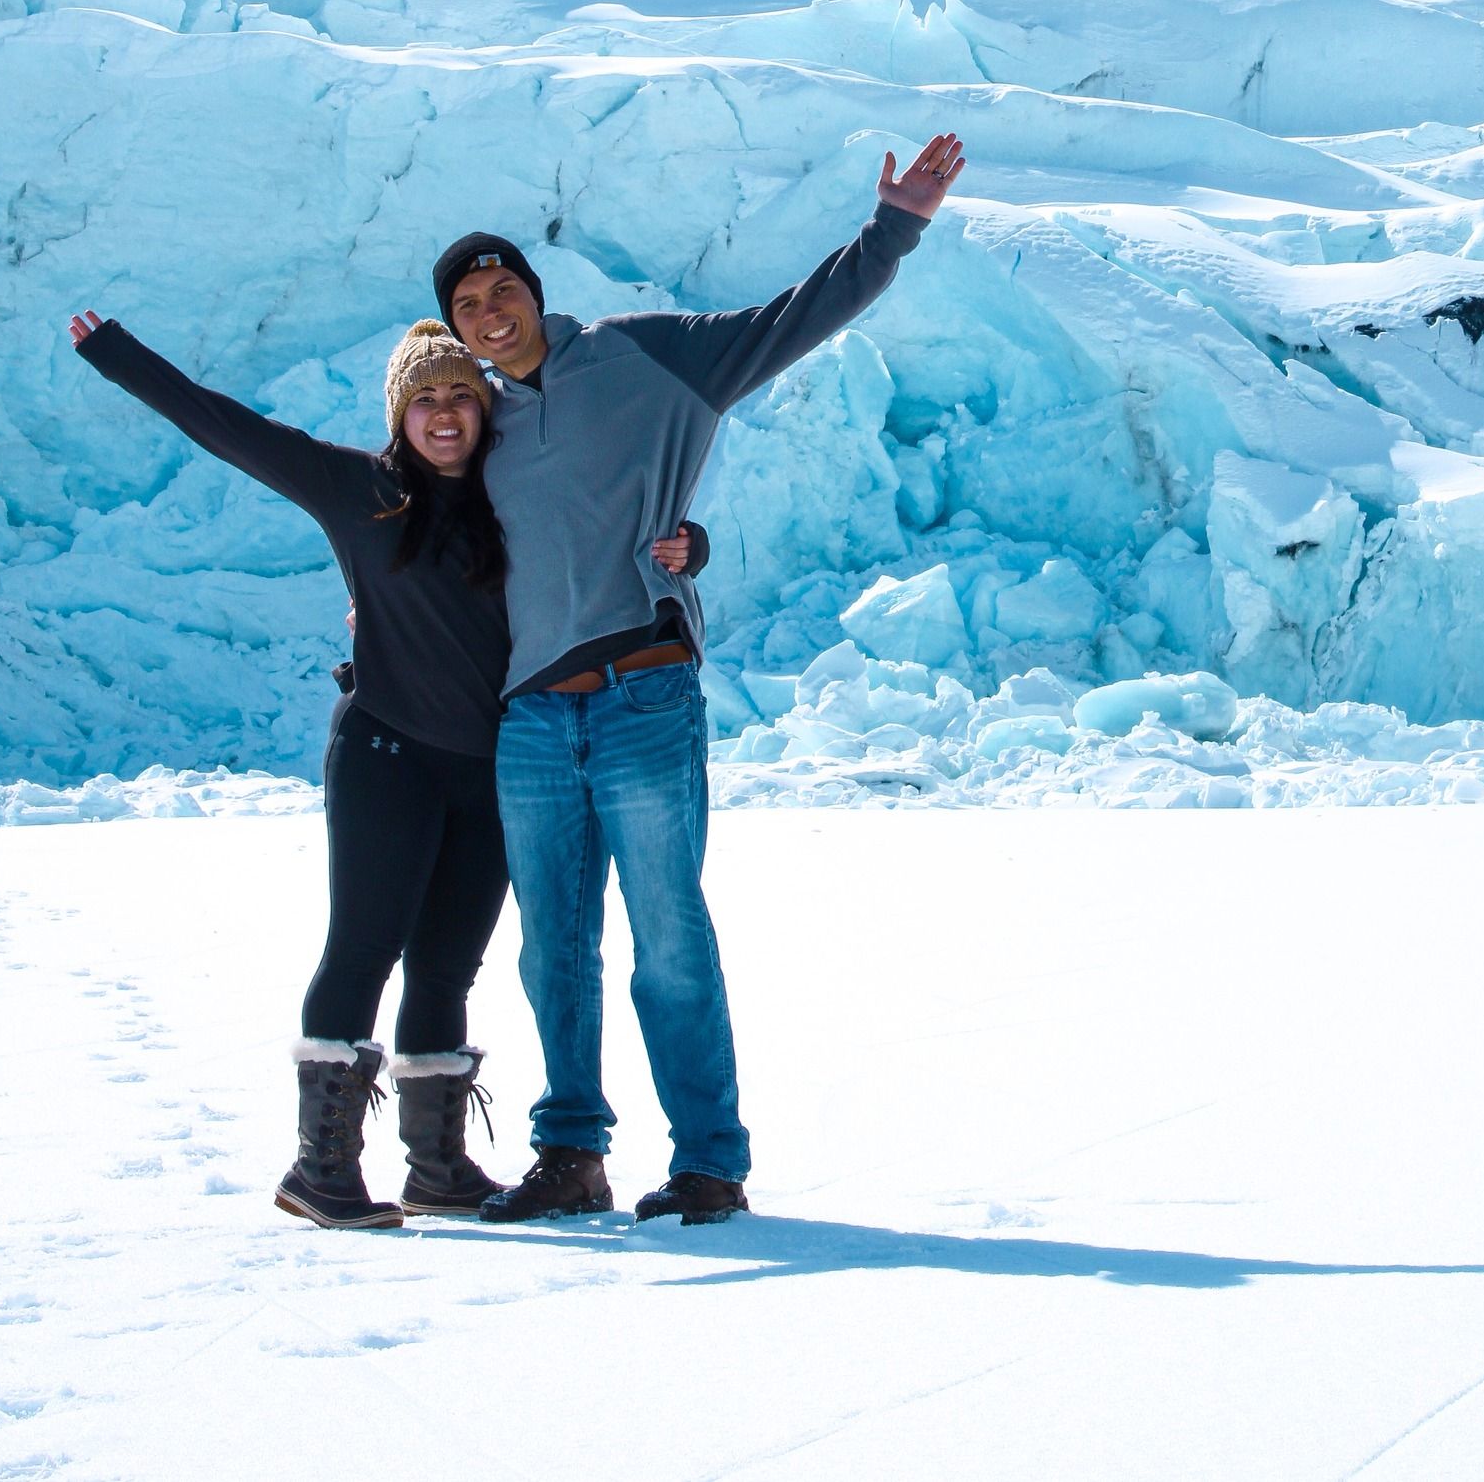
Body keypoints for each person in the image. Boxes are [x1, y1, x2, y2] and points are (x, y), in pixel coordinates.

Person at [67, 303, 708, 1229]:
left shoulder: (512, 491)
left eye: (462, 396)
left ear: (484, 410)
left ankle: (436, 1167)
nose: (445, 413)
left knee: (446, 967)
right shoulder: (355, 487)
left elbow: (614, 520)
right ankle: (320, 1168)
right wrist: (116, 353)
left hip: (487, 767)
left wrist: (694, 543)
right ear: (399, 414)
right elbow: (226, 427)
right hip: (386, 753)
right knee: (364, 947)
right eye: (425, 399)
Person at [435, 129, 966, 1228]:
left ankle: (710, 1161)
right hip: (532, 718)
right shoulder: (477, 426)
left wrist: (893, 229)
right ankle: (569, 1152)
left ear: (534, 293)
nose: (490, 312)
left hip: (643, 693)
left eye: (503, 289)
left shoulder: (646, 356)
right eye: (468, 305)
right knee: (552, 951)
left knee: (669, 938)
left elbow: (791, 320)